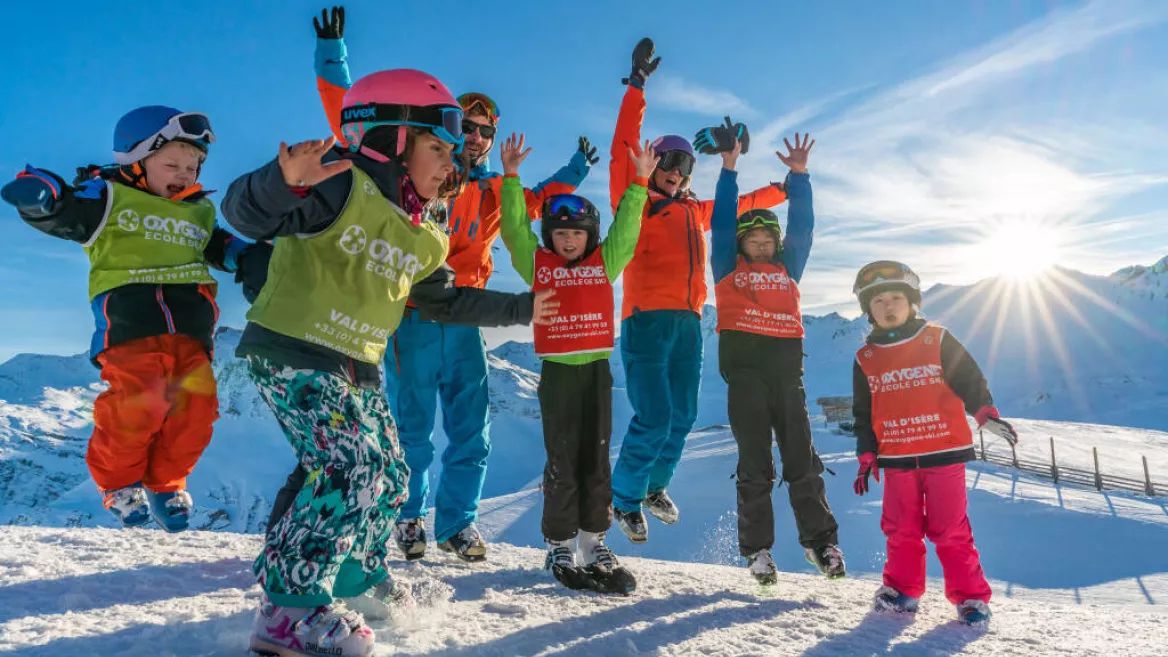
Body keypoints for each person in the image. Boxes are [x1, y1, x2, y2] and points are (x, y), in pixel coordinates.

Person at [222, 68, 557, 657]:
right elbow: (248, 217)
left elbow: (445, 300)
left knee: (391, 473)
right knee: (348, 467)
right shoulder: (338, 186)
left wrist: (524, 307)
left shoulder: (425, 232)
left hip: (357, 364)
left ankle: (353, 575)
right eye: (437, 147)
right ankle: (287, 610)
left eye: (454, 152)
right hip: (292, 350)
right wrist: (281, 182)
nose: (450, 162)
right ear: (392, 140)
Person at [304, 6, 597, 561]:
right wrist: (332, 56)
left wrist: (577, 169)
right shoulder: (414, 172)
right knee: (411, 431)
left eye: (486, 130)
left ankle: (458, 525)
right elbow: (351, 118)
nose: (477, 137)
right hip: (413, 314)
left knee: (471, 431)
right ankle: (408, 520)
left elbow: (540, 198)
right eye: (467, 126)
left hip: (466, 321)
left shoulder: (490, 192)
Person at [0, 106, 260, 532]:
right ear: (135, 160)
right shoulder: (108, 199)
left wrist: (249, 257)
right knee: (138, 404)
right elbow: (64, 209)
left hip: (193, 332)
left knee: (196, 411)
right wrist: (41, 195)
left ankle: (166, 483)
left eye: (193, 166)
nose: (185, 173)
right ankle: (119, 484)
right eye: (172, 163)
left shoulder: (198, 211)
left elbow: (220, 246)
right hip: (131, 325)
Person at [607, 38, 790, 543]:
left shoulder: (693, 210)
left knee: (683, 415)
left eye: (685, 166)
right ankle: (622, 500)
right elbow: (625, 138)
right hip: (645, 320)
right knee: (654, 414)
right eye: (668, 161)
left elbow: (738, 205)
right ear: (653, 161)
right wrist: (637, 86)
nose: (675, 171)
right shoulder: (636, 199)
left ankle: (652, 487)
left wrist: (784, 189)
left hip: (689, 322)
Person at [498, 133, 656, 594]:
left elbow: (628, 228)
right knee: (562, 459)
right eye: (561, 233)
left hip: (596, 372)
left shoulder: (606, 262)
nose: (569, 240)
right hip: (559, 373)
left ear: (590, 235)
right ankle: (560, 543)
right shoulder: (538, 264)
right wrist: (511, 180)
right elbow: (513, 231)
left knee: (596, 459)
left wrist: (640, 182)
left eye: (577, 233)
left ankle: (593, 542)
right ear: (550, 236)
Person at [707, 130, 845, 584]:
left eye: (769, 238)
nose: (762, 245)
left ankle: (820, 544)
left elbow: (803, 227)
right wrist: (729, 170)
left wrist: (799, 177)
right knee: (754, 464)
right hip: (745, 376)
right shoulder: (729, 268)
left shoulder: (790, 267)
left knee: (802, 461)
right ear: (741, 244)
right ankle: (758, 552)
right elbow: (724, 221)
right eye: (755, 239)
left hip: (788, 376)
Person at [851, 260, 1019, 626]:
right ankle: (903, 592)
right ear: (869, 310)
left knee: (950, 529)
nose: (888, 306)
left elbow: (969, 380)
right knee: (900, 529)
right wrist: (867, 454)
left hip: (942, 453)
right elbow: (863, 412)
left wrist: (984, 414)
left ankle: (971, 597)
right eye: (878, 301)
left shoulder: (937, 339)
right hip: (895, 459)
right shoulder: (865, 358)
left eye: (896, 297)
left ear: (912, 302)